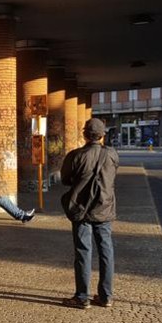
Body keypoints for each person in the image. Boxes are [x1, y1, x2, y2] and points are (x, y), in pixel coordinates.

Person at [60, 118, 119, 309]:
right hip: (104, 209)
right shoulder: (112, 155)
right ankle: (106, 296)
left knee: (83, 252)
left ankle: (82, 297)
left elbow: (65, 180)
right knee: (106, 252)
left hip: (81, 209)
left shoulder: (75, 155)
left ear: (85, 135)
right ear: (102, 136)